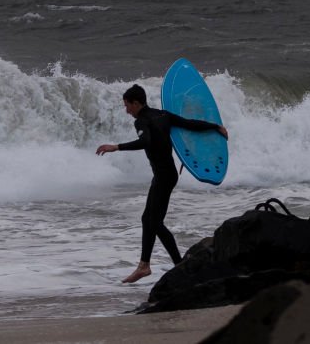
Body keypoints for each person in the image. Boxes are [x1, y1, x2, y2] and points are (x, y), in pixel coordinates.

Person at [96, 84, 228, 284]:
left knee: (154, 222)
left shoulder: (141, 121)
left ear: (136, 103)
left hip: (163, 177)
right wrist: (215, 126)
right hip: (167, 175)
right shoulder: (163, 115)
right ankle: (145, 265)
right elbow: (189, 123)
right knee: (147, 219)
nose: (126, 110)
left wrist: (116, 147)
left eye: (127, 106)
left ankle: (174, 265)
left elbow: (145, 142)